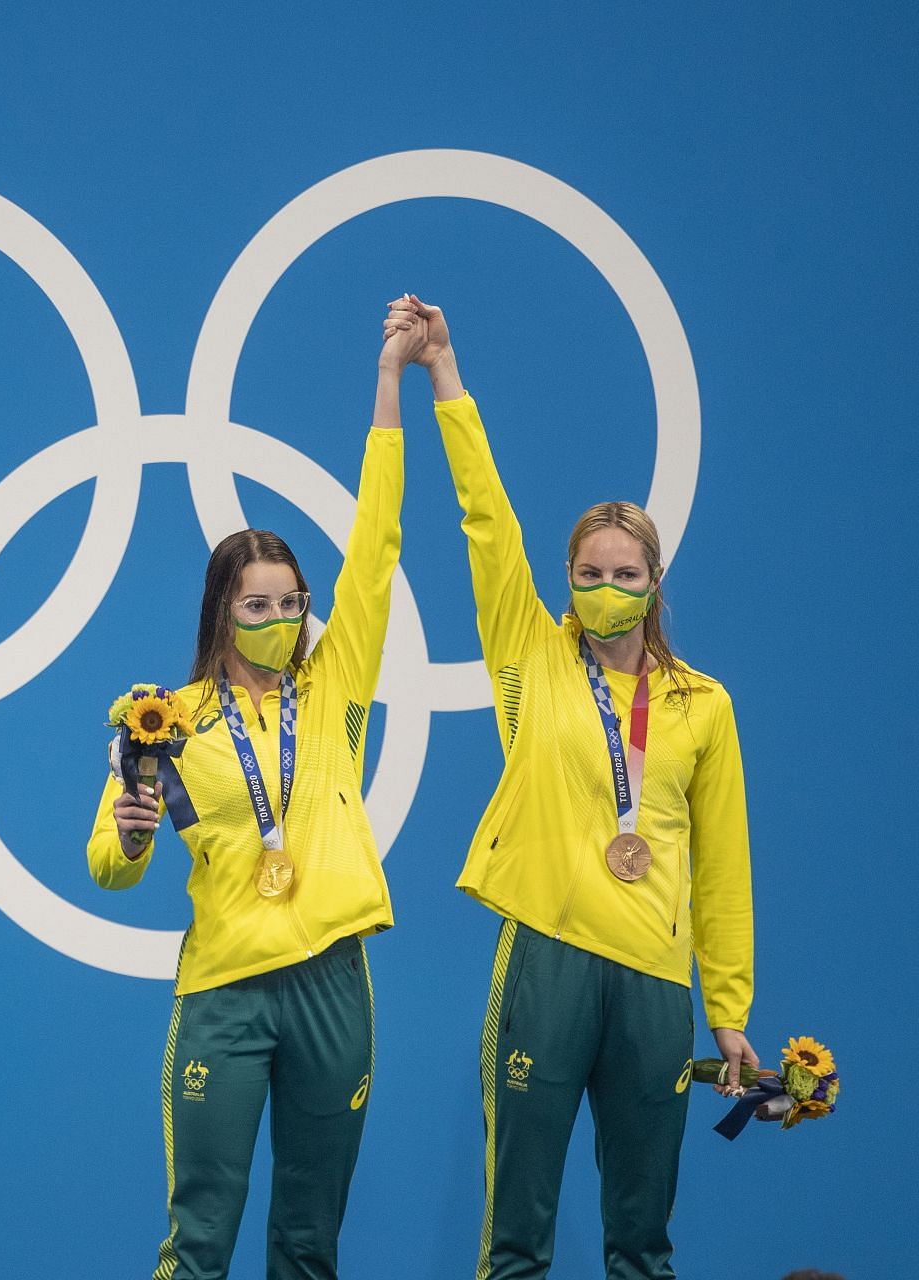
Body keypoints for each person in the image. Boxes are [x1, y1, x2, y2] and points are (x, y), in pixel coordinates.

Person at [395, 294, 757, 1280]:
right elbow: (485, 521)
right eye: (589, 571)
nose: (606, 587)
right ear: (565, 578)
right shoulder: (531, 653)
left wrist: (726, 1010)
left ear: (655, 581)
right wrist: (444, 377)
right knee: (517, 1235)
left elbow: (722, 870)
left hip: (651, 981)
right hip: (546, 959)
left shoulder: (703, 705)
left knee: (643, 1240)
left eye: (625, 571)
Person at [85, 299, 420, 1280]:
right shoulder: (165, 716)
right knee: (199, 1242)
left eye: (292, 601)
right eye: (257, 604)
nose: (279, 617)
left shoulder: (334, 684)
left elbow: (382, 541)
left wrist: (391, 382)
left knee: (309, 1243)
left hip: (331, 978)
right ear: (222, 612)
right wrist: (137, 830)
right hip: (224, 992)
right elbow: (106, 862)